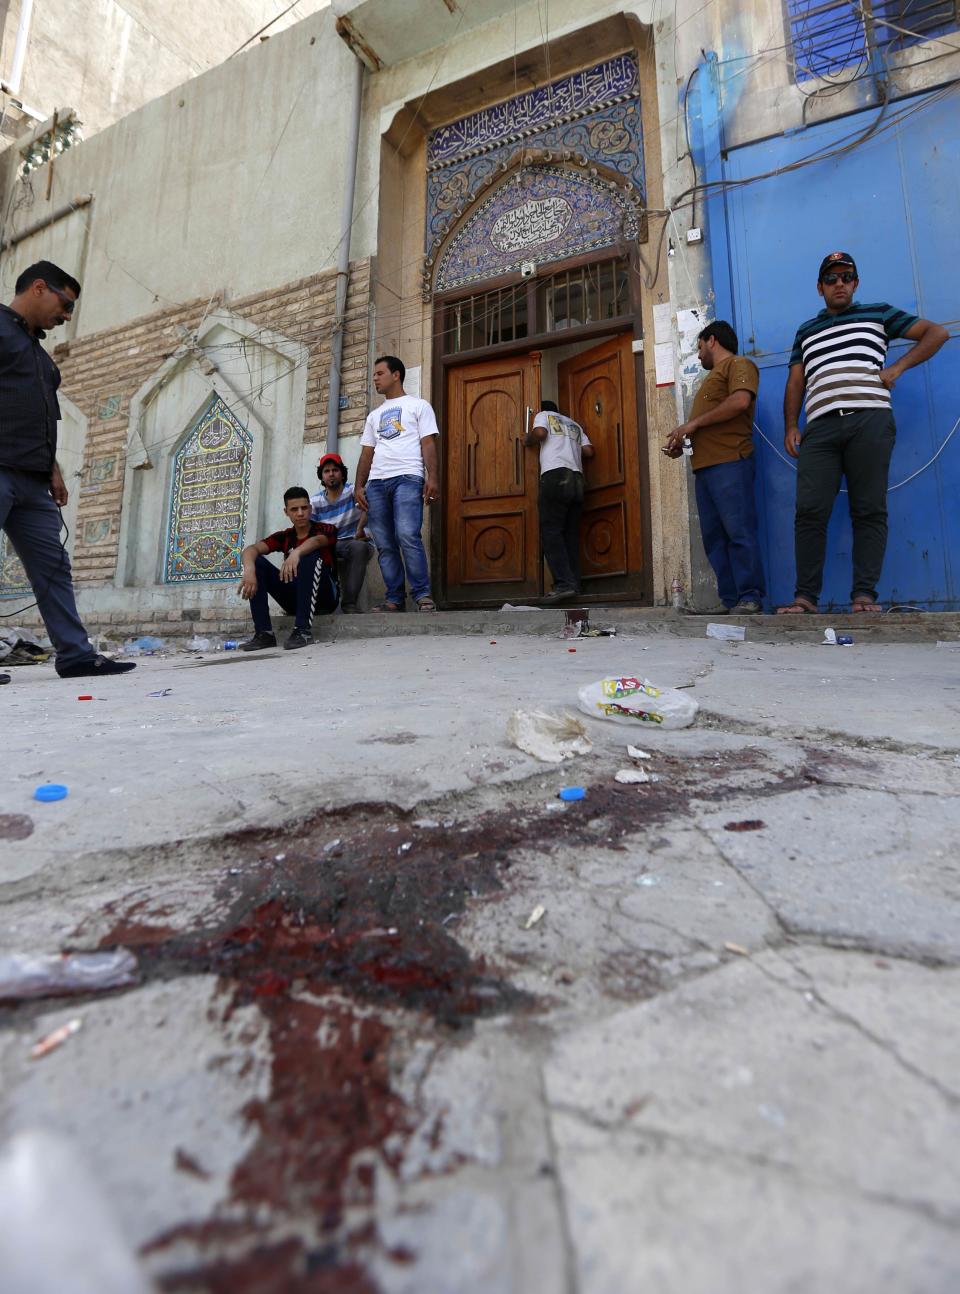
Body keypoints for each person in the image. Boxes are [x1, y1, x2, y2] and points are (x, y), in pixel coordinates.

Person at [780, 251, 948, 614]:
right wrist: (792, 425)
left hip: (870, 421)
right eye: (831, 278)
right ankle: (805, 598)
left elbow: (937, 333)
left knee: (869, 509)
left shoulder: (879, 313)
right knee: (809, 510)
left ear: (855, 283)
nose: (839, 283)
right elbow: (796, 380)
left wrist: (898, 367)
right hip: (820, 428)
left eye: (846, 276)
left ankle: (864, 597)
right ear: (820, 287)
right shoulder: (806, 330)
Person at [0, 260, 136, 678]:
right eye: (65, 304)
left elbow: (39, 415)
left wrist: (53, 468)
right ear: (39, 287)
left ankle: (75, 655)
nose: (67, 316)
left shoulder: (38, 355)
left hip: (32, 479)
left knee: (54, 567)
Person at [664, 321, 765, 614]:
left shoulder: (738, 364)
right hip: (705, 467)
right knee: (714, 538)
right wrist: (682, 443)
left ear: (712, 340)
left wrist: (692, 423)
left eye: (698, 348)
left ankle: (750, 596)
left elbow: (740, 401)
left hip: (730, 462)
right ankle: (731, 599)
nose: (697, 356)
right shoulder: (710, 380)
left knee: (739, 531)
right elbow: (711, 423)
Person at [354, 355, 440, 612]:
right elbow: (367, 453)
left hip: (408, 477)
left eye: (380, 373)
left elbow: (428, 442)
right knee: (384, 542)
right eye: (374, 374)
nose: (375, 379)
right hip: (376, 484)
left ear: (396, 375)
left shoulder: (419, 406)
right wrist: (359, 486)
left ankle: (422, 594)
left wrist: (432, 477)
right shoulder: (374, 416)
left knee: (407, 534)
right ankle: (394, 598)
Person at [237, 486, 338, 650]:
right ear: (286, 512)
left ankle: (303, 631)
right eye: (294, 509)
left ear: (310, 508)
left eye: (304, 508)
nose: (300, 513)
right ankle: (264, 634)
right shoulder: (285, 536)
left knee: (309, 556)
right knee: (257, 562)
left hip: (325, 598)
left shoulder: (326, 529)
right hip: (294, 599)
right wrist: (249, 571)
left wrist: (297, 552)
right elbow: (251, 549)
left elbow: (318, 541)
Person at [526, 399, 594, 604]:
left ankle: (564, 584)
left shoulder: (543, 416)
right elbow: (589, 451)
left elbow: (540, 434)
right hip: (577, 478)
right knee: (570, 534)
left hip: (555, 475)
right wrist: (568, 447)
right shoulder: (574, 424)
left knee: (551, 532)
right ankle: (574, 584)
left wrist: (527, 439)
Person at [310, 451, 373, 613]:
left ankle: (349, 603)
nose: (331, 474)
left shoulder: (352, 491)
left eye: (335, 470)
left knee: (358, 548)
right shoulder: (315, 501)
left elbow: (368, 508)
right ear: (322, 476)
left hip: (355, 541)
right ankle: (315, 606)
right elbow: (311, 529)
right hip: (330, 544)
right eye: (326, 471)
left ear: (342, 473)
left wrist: (360, 529)